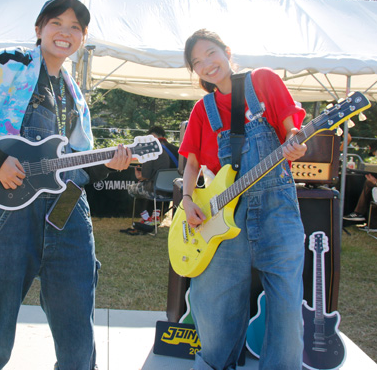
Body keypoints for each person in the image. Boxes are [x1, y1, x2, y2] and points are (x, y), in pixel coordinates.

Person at [0, 0, 132, 370]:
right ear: (39, 29)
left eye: (75, 27)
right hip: (13, 206)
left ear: (83, 37)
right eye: (56, 23)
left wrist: (109, 163)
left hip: (69, 207)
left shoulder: (74, 93)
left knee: (76, 312)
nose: (65, 32)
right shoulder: (11, 65)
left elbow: (79, 163)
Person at [179, 29, 307, 370]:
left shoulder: (262, 81)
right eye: (197, 62)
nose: (207, 64)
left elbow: (291, 129)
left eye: (211, 53)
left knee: (286, 305)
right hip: (223, 216)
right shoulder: (203, 109)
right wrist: (187, 199)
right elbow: (191, 164)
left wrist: (294, 140)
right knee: (212, 302)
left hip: (277, 210)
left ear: (227, 51)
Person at [127, 125, 179, 225]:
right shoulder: (177, 150)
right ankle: (156, 216)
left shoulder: (151, 150)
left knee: (132, 189)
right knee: (154, 186)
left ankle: (146, 217)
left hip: (157, 190)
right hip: (175, 191)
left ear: (152, 136)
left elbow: (145, 175)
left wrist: (139, 176)